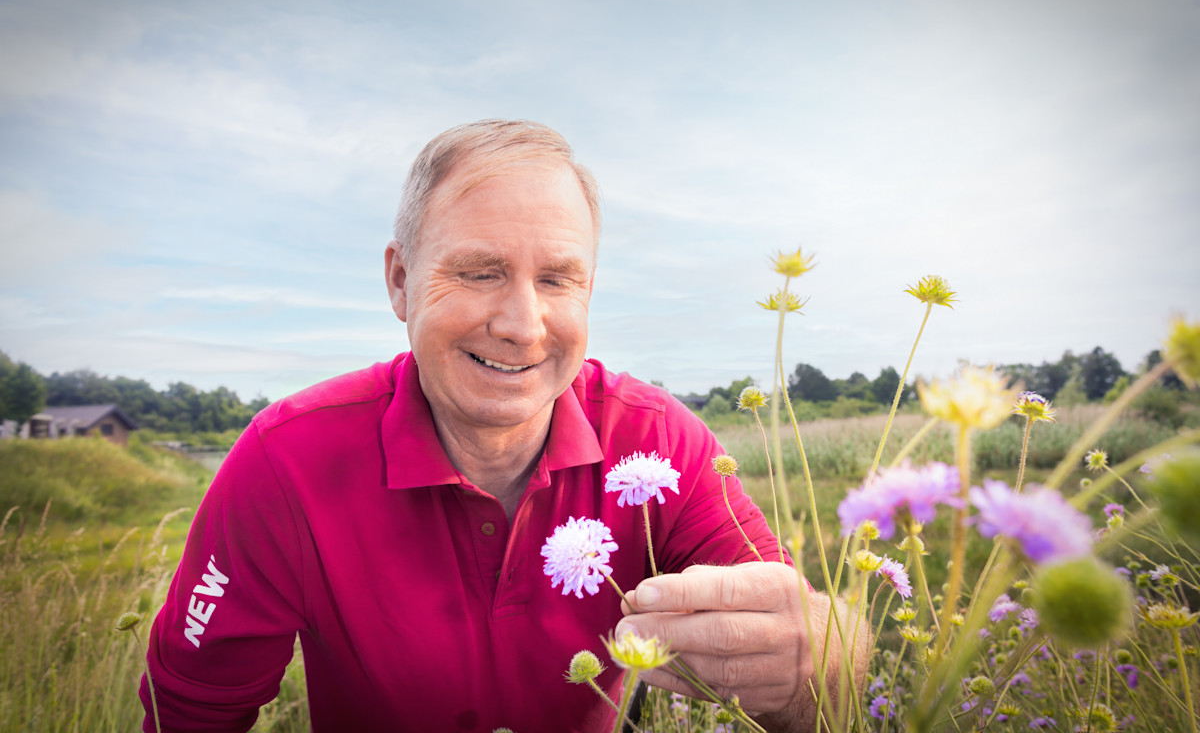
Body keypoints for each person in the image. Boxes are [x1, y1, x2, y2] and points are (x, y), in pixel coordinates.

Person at [141, 119, 867, 733]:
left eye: (557, 279)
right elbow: (193, 712)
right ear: (399, 281)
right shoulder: (285, 461)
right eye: (480, 271)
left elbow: (812, 669)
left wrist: (826, 658)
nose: (523, 325)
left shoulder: (659, 446)